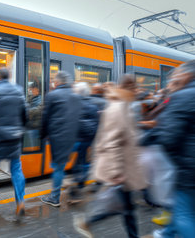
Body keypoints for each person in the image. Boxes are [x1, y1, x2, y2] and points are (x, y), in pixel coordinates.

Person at [74, 75, 146, 238]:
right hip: (121, 170)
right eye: (135, 88)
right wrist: (116, 172)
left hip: (125, 167)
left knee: (125, 208)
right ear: (129, 88)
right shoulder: (118, 108)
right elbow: (112, 142)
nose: (137, 91)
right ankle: (88, 221)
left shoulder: (123, 106)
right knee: (125, 208)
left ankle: (88, 221)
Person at [141, 60, 195, 238]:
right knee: (182, 208)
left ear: (187, 75)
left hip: (188, 168)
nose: (173, 79)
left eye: (177, 74)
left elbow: (169, 139)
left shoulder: (183, 96)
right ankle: (166, 234)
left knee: (184, 213)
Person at [0, 68, 28, 217]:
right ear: (10, 77)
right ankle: (20, 201)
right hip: (15, 137)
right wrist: (20, 129)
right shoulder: (19, 90)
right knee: (16, 169)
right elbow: (25, 114)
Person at [40, 71, 81, 207]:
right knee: (60, 166)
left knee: (58, 167)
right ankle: (65, 190)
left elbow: (45, 117)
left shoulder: (52, 95)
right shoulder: (76, 96)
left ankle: (55, 197)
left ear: (57, 82)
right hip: (71, 137)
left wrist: (42, 135)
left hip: (57, 137)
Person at [69, 82, 100, 202]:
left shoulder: (75, 104)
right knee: (82, 161)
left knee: (77, 163)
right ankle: (79, 183)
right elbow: (96, 124)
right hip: (88, 139)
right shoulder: (93, 106)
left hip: (77, 138)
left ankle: (77, 185)